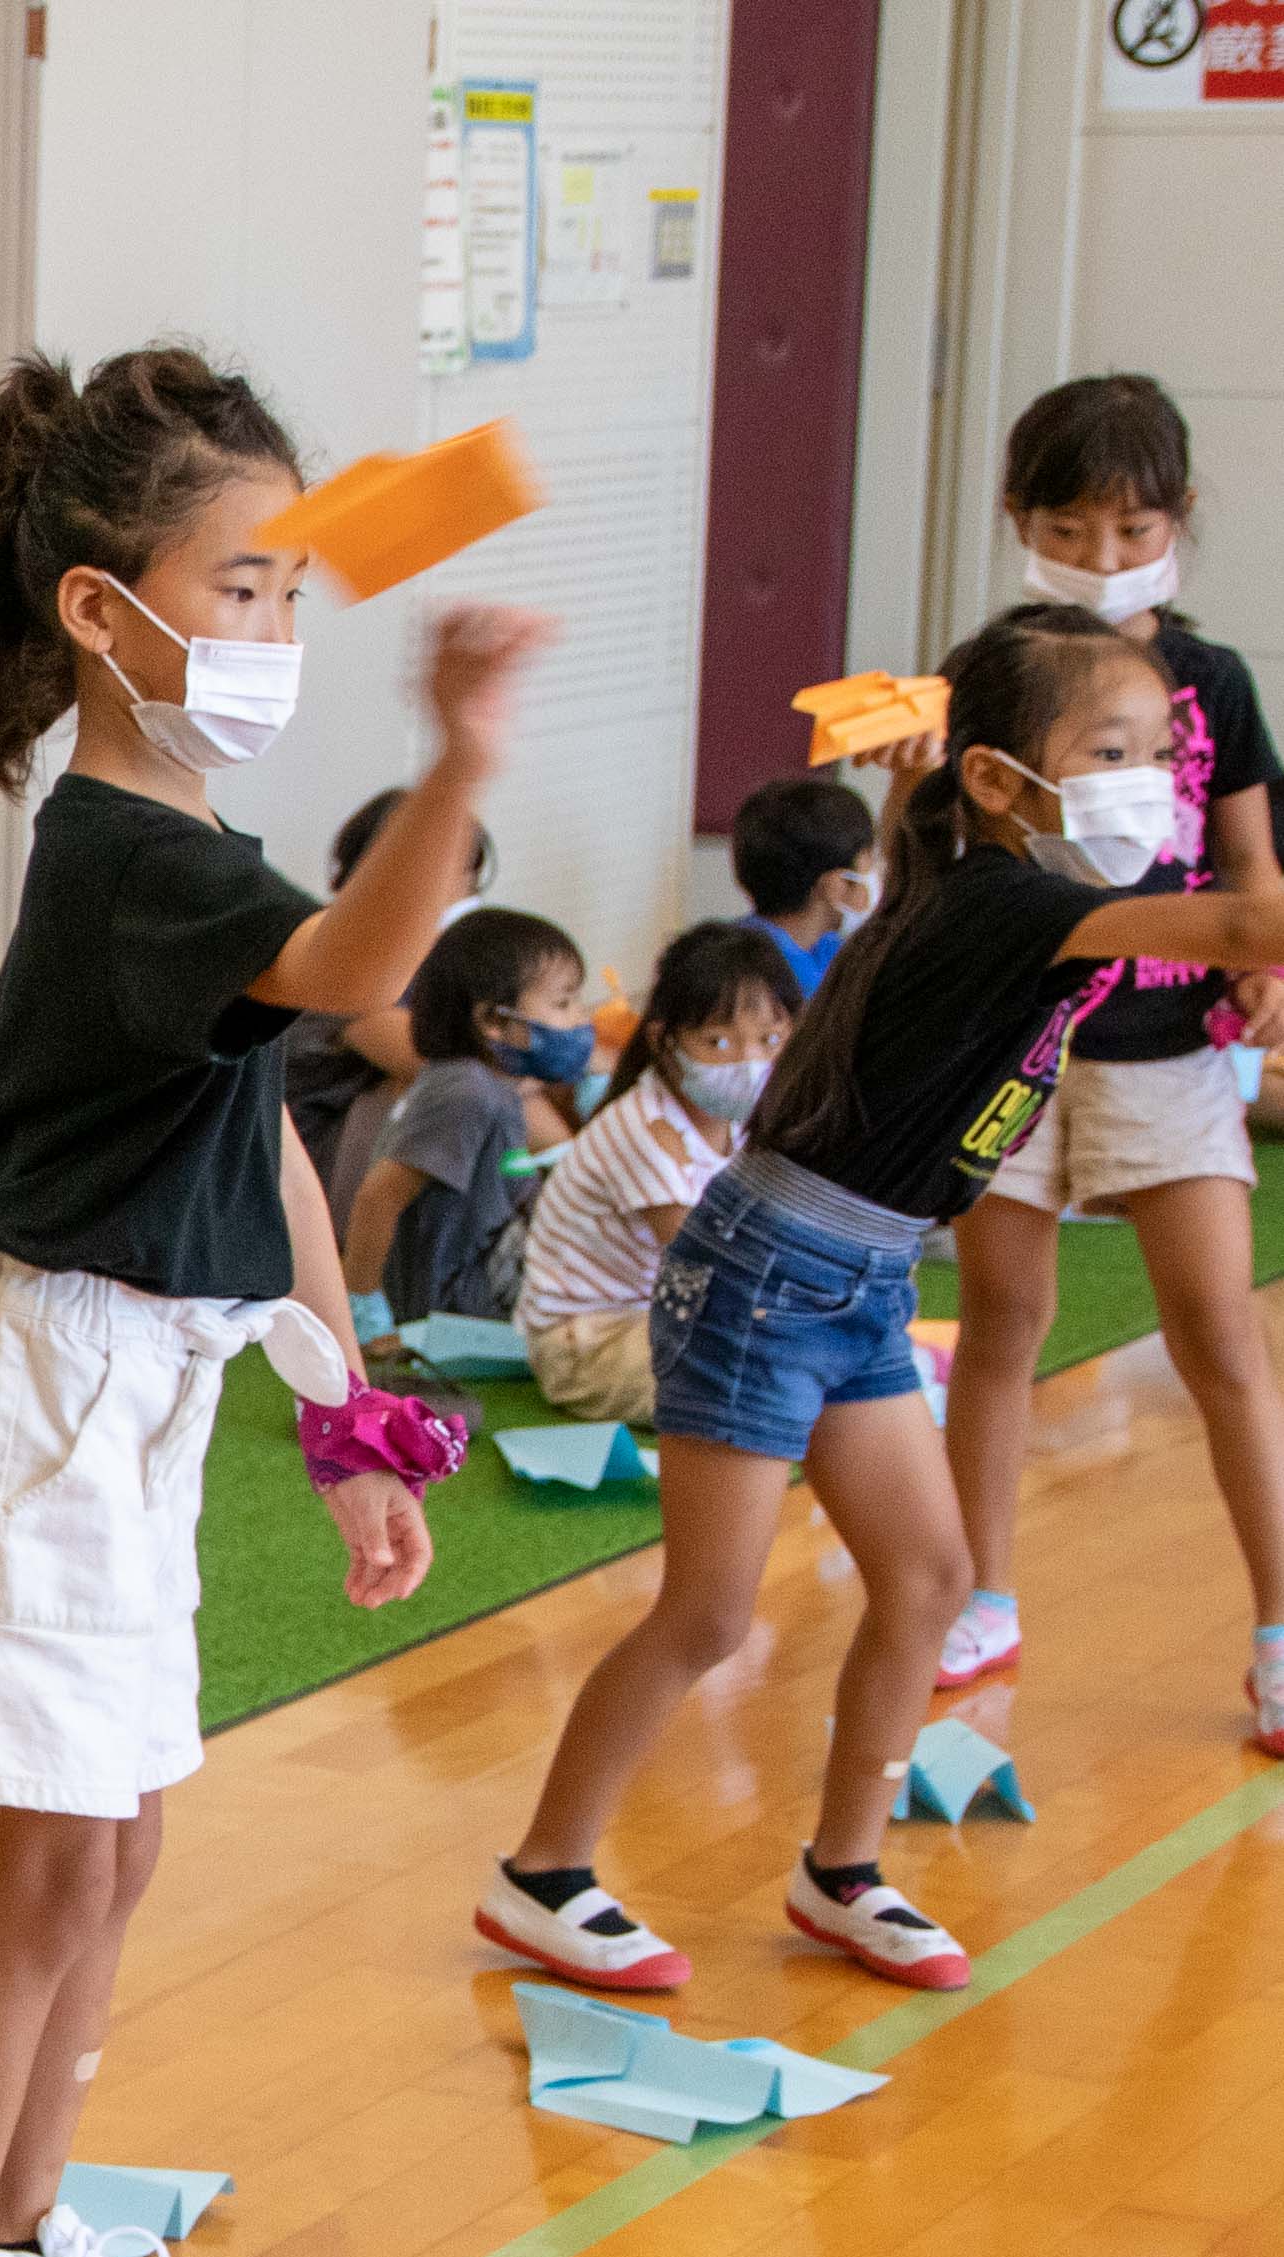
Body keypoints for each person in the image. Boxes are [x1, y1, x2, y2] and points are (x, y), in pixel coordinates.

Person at [0, 344, 527, 2257]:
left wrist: (344, 1417)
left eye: (287, 588)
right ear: (98, 613)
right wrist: (458, 760)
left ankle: (28, 2238)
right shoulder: (125, 850)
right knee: (38, 1874)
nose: (272, 631)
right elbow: (361, 975)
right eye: (235, 586)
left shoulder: (188, 836)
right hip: (36, 1395)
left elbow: (279, 1159)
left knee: (117, 1856)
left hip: (141, 1389)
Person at [476, 605, 1284, 2001]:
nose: (1152, 783)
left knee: (924, 1579)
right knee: (708, 1614)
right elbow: (1239, 918)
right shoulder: (1010, 900)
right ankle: (539, 1872)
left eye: (1163, 753)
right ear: (994, 779)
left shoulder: (1001, 894)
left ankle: (839, 1871)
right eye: (1111, 750)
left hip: (855, 1279)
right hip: (763, 1279)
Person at [935, 374, 1284, 1721]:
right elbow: (953, 864)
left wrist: (1257, 968)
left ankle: (1272, 1632)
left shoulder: (1211, 680)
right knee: (999, 1327)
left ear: (1176, 521)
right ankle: (979, 1596)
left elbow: (1248, 865)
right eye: (1067, 529)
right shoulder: (988, 674)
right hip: (1018, 1045)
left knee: (1217, 1339)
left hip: (1168, 1052)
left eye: (1128, 530)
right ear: (1019, 520)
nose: (1097, 559)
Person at [517, 923, 798, 1422]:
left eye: (771, 1039)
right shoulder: (645, 1129)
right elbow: (704, 1262)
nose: (749, 1062)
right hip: (586, 1345)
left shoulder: (738, 1121)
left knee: (803, 1359)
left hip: (653, 1318)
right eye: (717, 1042)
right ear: (664, 1040)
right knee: (772, 1375)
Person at [340, 905, 590, 1327]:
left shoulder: (494, 1085)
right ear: (494, 1019)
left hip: (480, 1286)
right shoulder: (466, 1090)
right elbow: (378, 1198)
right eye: (562, 1003)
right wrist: (361, 1309)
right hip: (456, 1307)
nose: (580, 1019)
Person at [284, 785, 498, 1206]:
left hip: (365, 1141)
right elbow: (430, 1059)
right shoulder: (342, 955)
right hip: (315, 1165)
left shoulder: (427, 955)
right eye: (452, 873)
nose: (466, 897)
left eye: (472, 877)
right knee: (461, 1085)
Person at [730, 772, 880, 1002]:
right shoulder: (766, 981)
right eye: (868, 867)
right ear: (838, 887)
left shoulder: (828, 949)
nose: (877, 880)